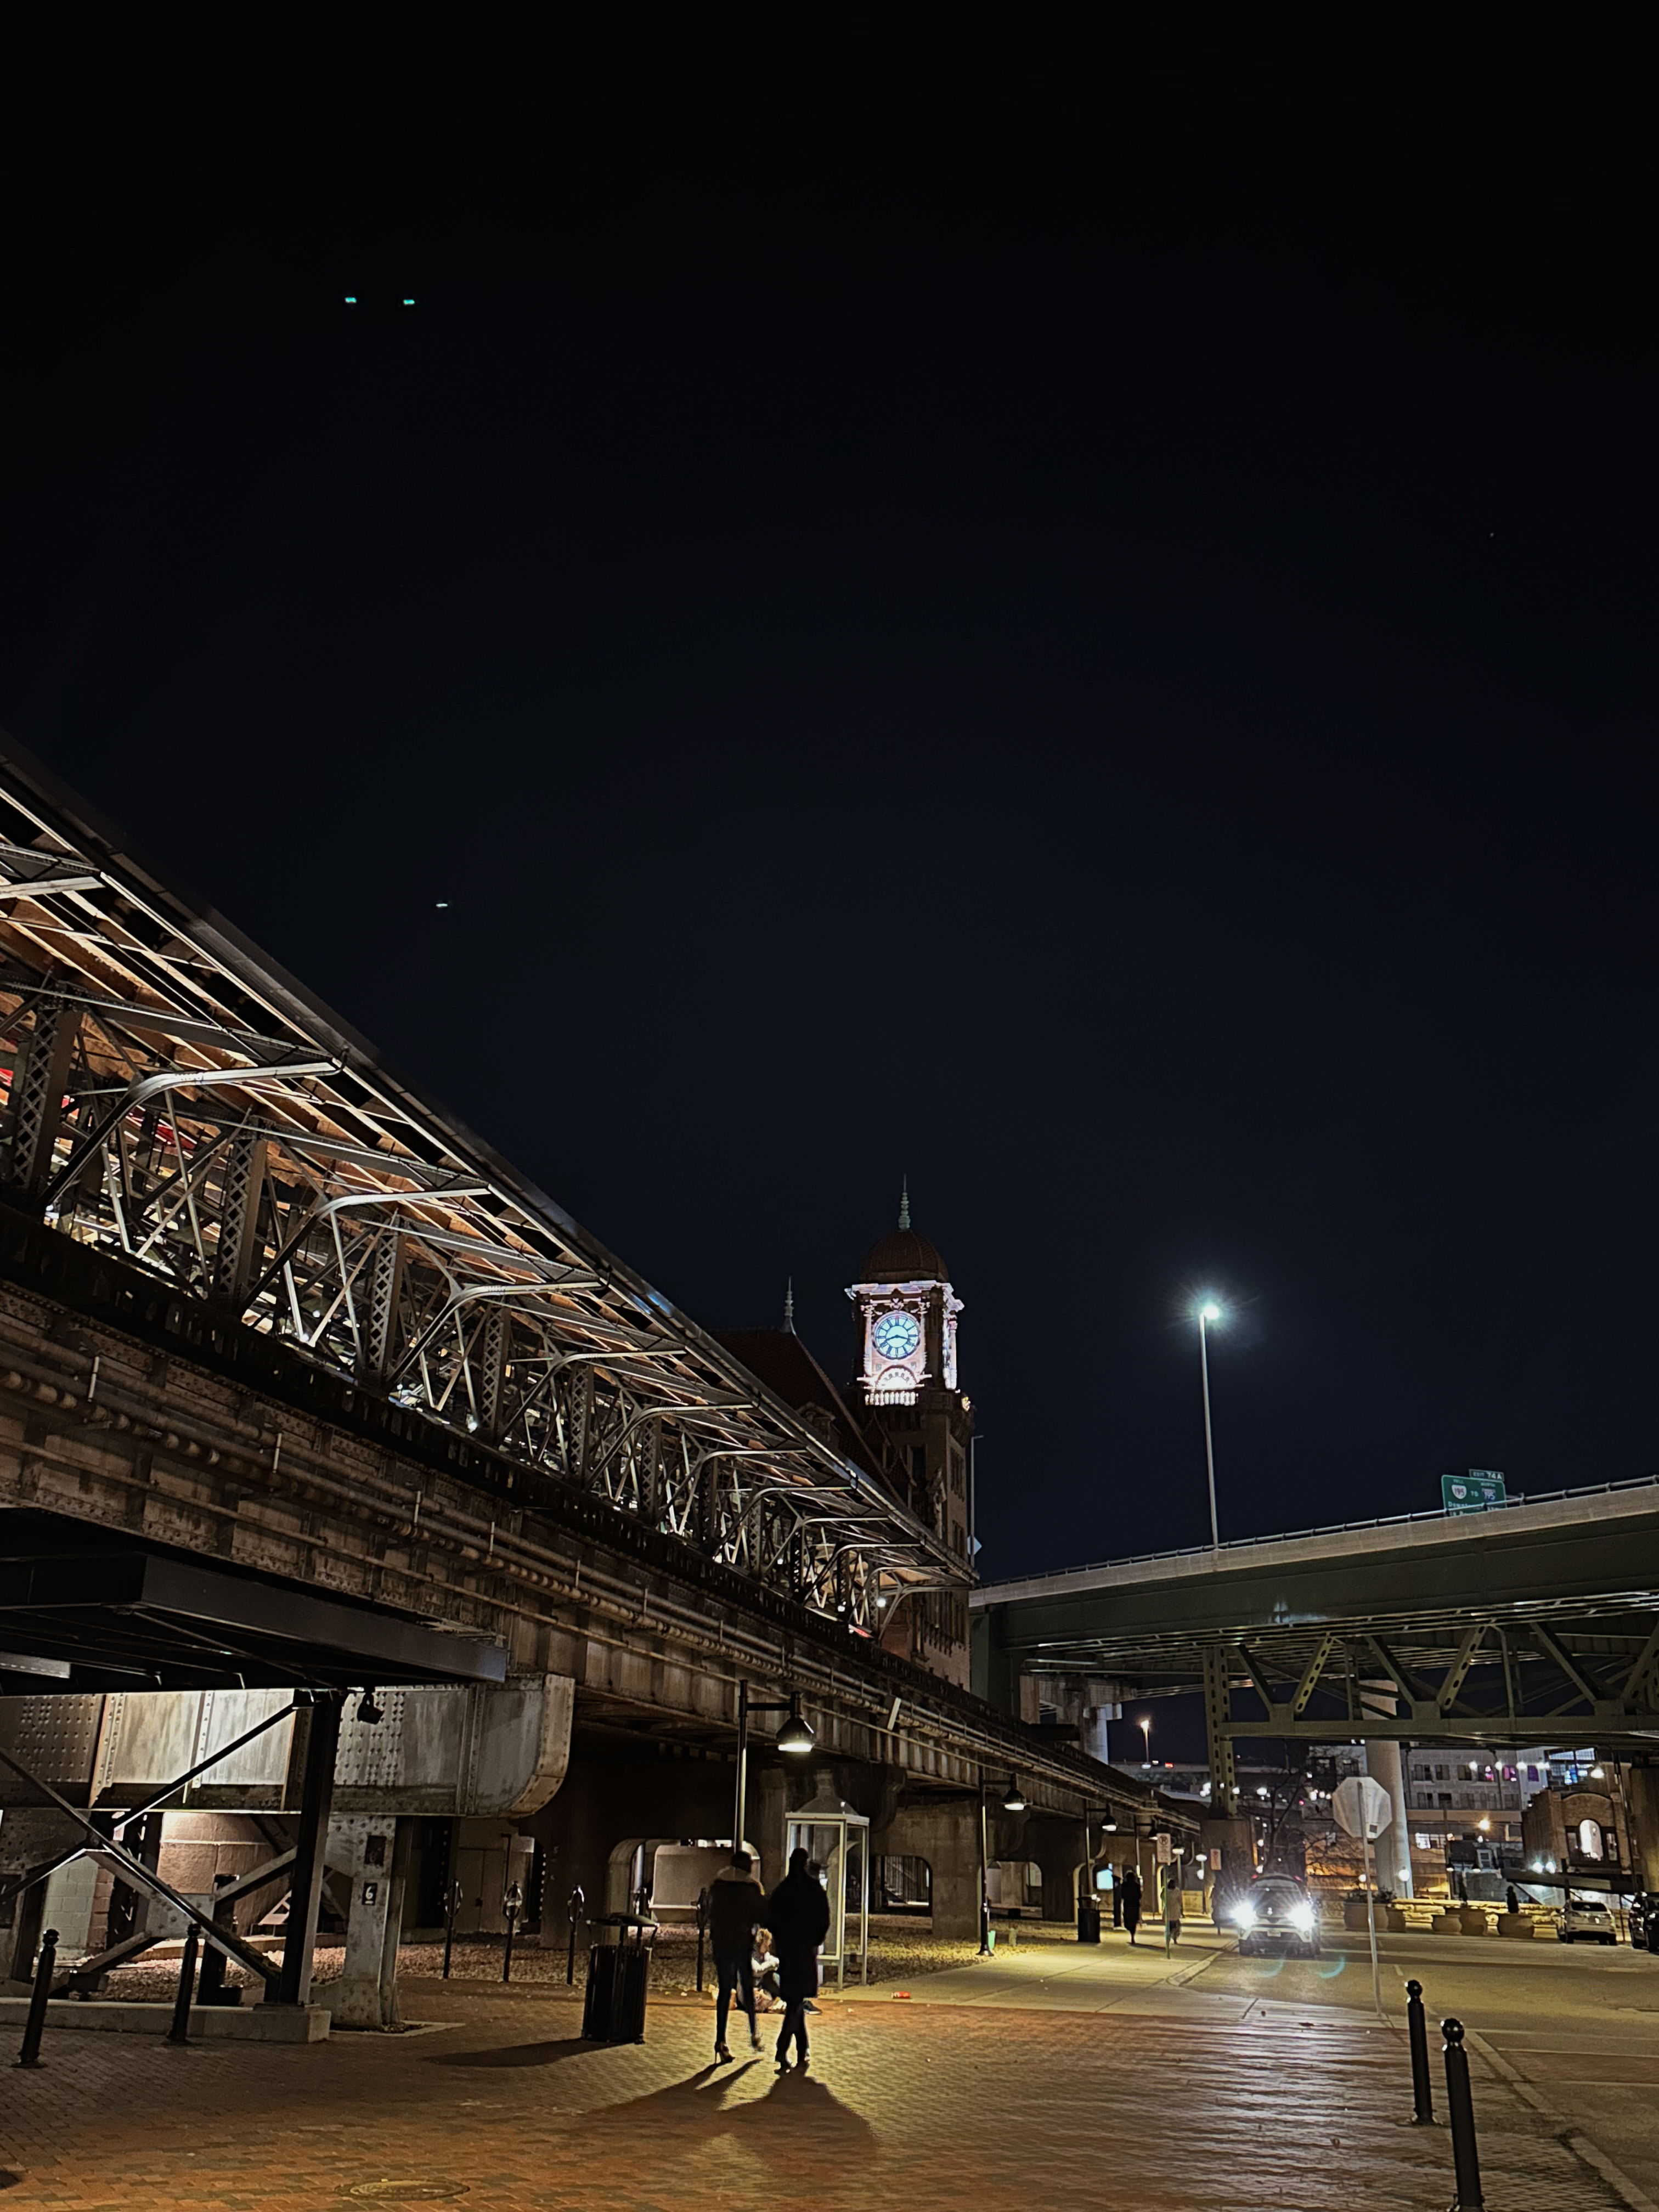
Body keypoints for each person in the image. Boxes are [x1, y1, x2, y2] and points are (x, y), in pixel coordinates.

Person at [766, 1844, 831, 2072]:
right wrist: (815, 1940)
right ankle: (783, 2048)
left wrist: (781, 1940)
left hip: (788, 1951)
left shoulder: (783, 1890)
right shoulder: (813, 1890)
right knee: (797, 2001)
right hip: (805, 1950)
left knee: (794, 2000)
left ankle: (799, 2049)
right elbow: (824, 1919)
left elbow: (771, 1918)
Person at [706, 1849, 765, 2062]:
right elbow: (761, 1914)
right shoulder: (750, 1887)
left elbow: (709, 1913)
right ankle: (753, 2034)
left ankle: (720, 2040)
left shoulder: (718, 1886)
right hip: (741, 1942)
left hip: (721, 1942)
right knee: (747, 1988)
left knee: (724, 1991)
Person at [752, 1926, 781, 2007]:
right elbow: (757, 1971)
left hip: (760, 1987)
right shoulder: (752, 1954)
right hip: (750, 1989)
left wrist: (774, 1962)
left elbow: (772, 1959)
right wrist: (770, 1964)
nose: (768, 1948)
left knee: (775, 1976)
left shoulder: (764, 1952)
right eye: (766, 1945)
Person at [1120, 1863, 1142, 1946]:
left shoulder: (1124, 1885)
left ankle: (1132, 1935)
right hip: (1135, 1905)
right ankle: (1133, 1935)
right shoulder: (1137, 1886)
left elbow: (1122, 1895)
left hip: (1128, 1905)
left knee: (1128, 1921)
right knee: (1133, 1921)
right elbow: (1140, 1896)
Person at [1164, 1862, 1183, 1949]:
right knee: (1176, 1925)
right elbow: (1180, 1901)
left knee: (1169, 1925)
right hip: (1175, 1909)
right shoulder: (1177, 1891)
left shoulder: (1166, 1891)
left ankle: (1168, 1938)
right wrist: (1181, 1908)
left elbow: (1163, 1899)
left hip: (1168, 1910)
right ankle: (1175, 1938)